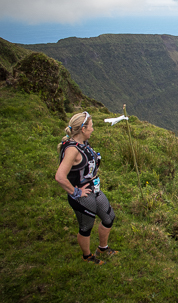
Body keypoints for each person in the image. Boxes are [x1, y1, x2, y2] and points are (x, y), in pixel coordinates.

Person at [55, 111, 118, 265]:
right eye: (91, 126)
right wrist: (76, 192)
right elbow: (60, 177)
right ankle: (87, 256)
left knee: (109, 218)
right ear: (83, 129)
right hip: (83, 196)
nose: (93, 129)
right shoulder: (72, 150)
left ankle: (103, 248)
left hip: (94, 190)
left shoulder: (83, 143)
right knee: (86, 226)